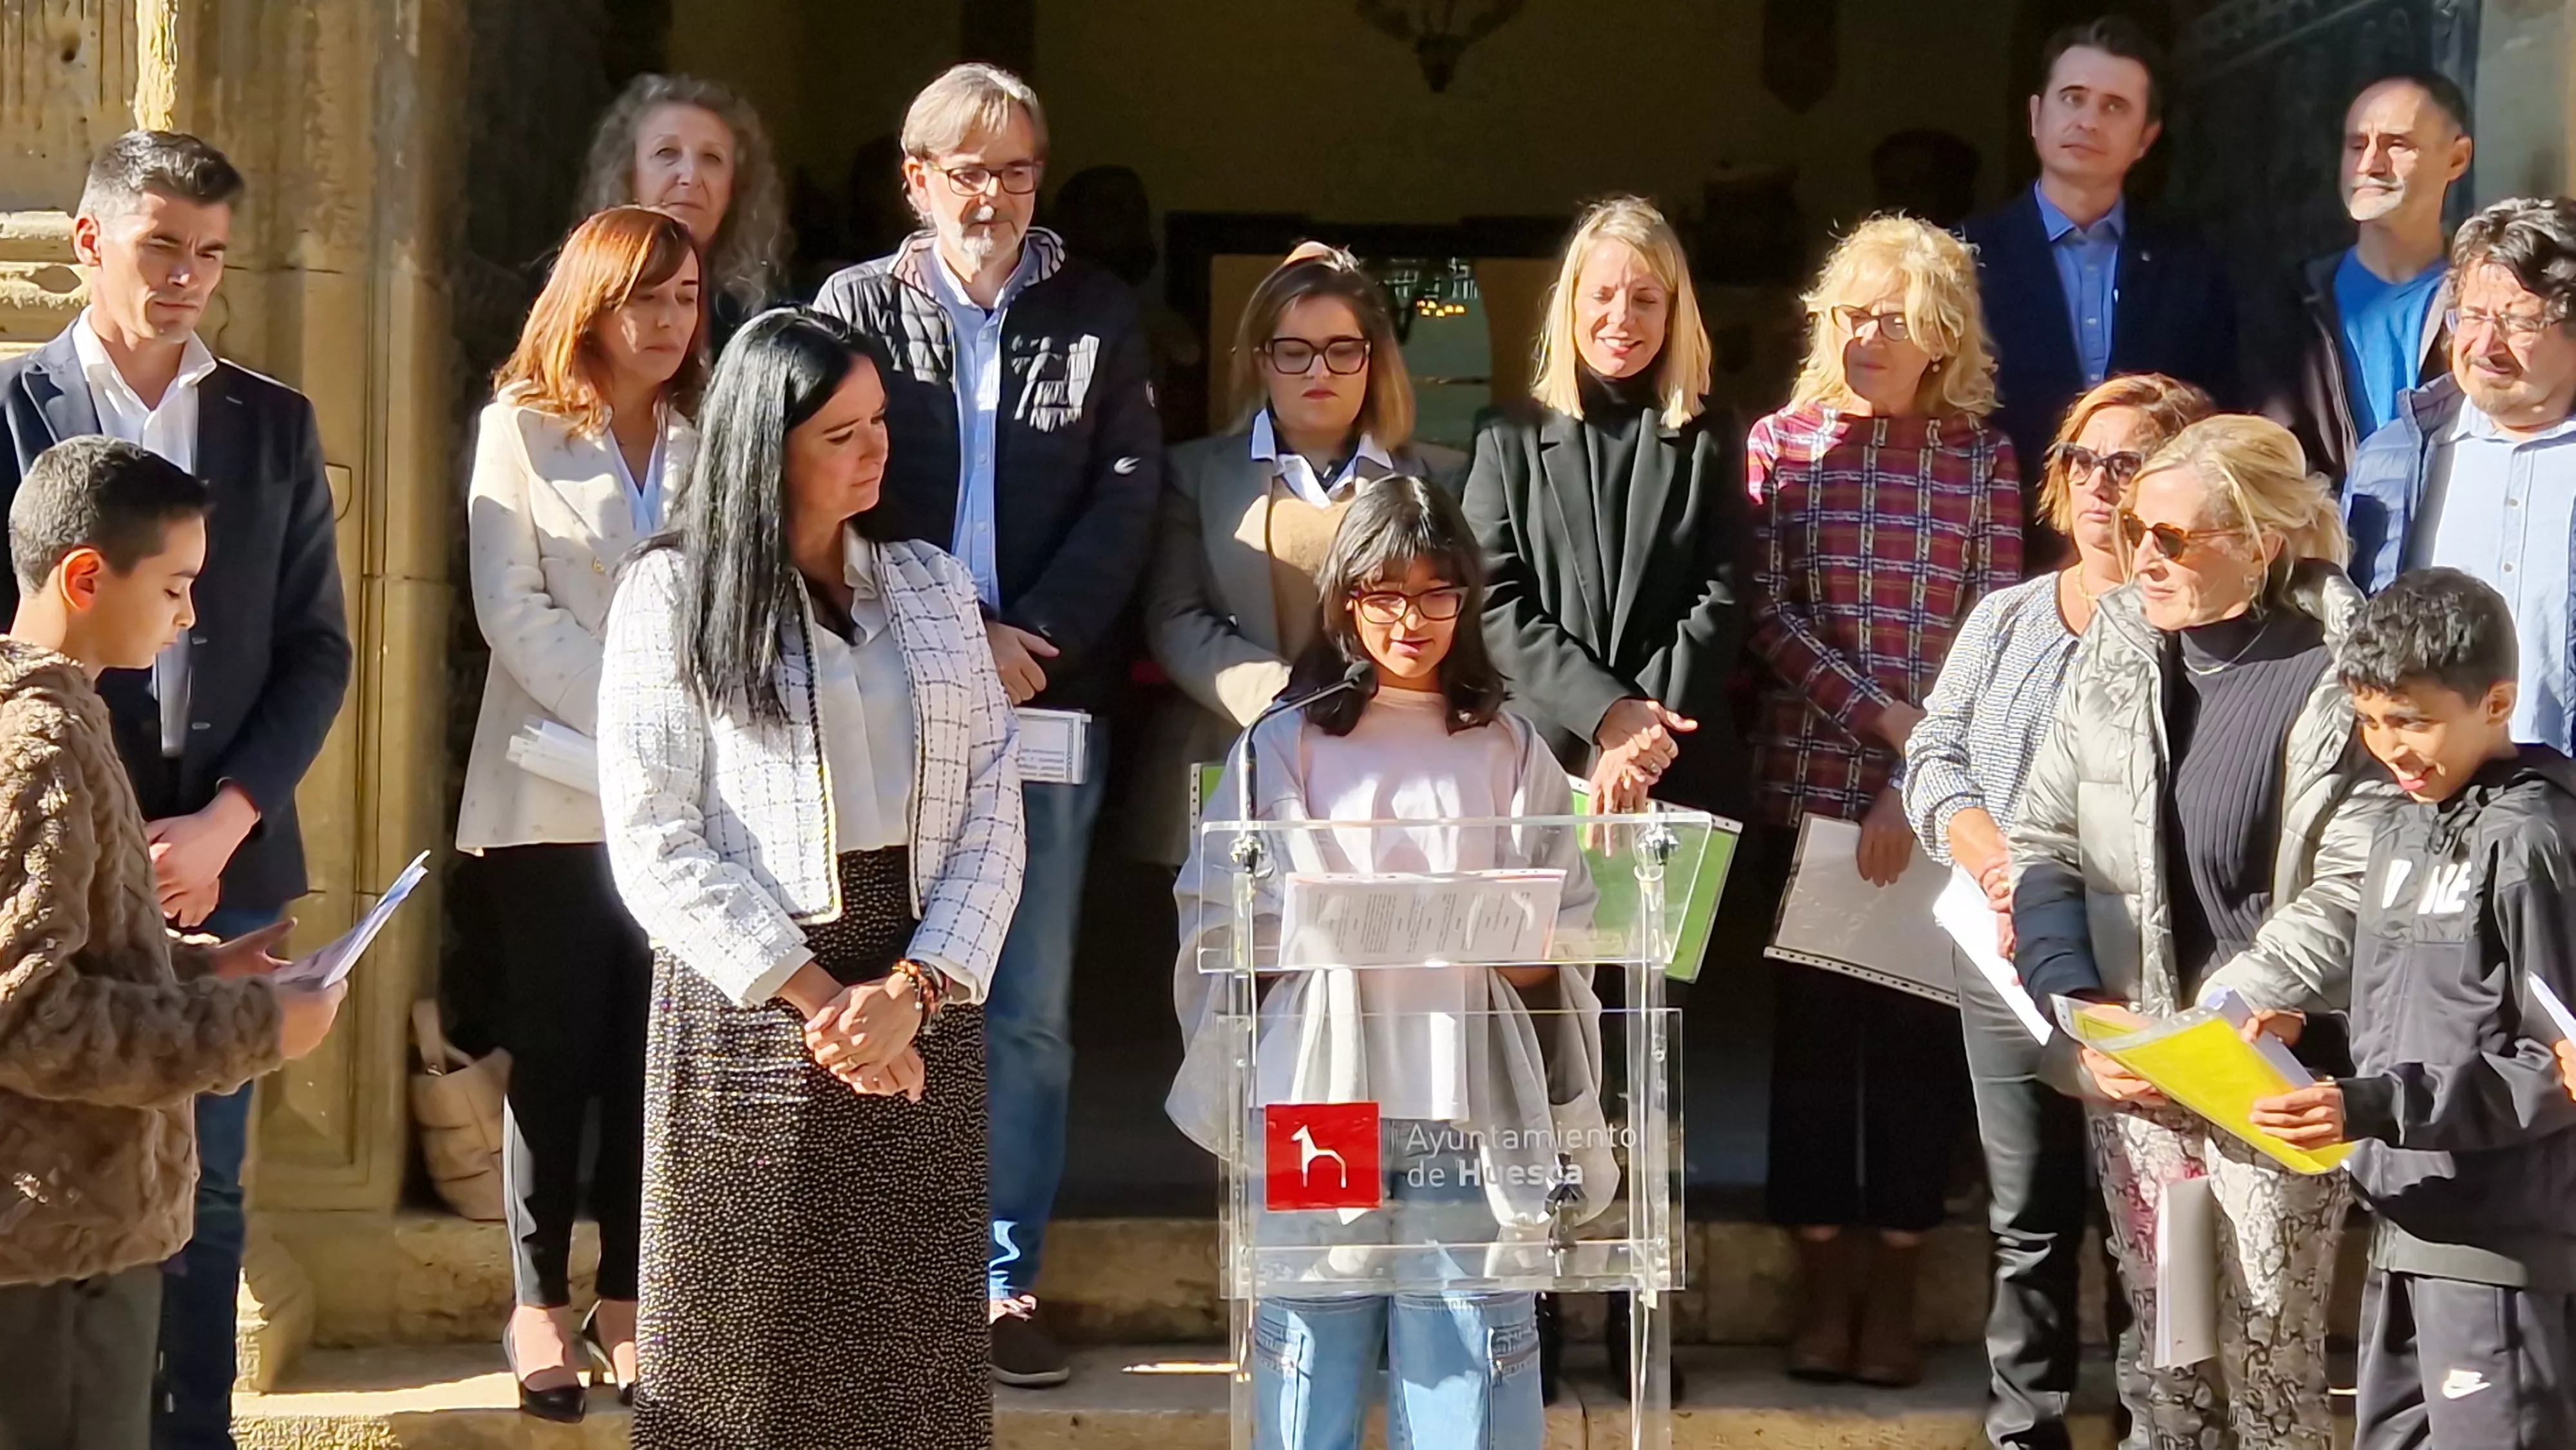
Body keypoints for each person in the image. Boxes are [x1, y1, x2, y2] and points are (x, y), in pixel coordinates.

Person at [596, 308, 1023, 1448]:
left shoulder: (931, 585)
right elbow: (653, 834)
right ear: (765, 446)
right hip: (751, 1000)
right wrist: (825, 1002)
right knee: (744, 1352)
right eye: (841, 434)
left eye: (879, 422)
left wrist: (916, 990)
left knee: (908, 1354)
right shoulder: (671, 593)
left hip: (921, 982)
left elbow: (994, 799)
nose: (874, 450)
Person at [0, 131, 352, 1450]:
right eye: (162, 247)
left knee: (203, 1196)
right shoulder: (8, 404)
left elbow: (316, 643)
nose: (188, 277)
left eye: (211, 254)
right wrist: (64, 796)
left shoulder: (272, 421)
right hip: (44, 830)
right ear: (89, 241)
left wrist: (223, 824)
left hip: (219, 855)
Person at [815, 61, 1161, 1386]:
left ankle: (1002, 1278)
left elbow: (1126, 495)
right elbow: (827, 484)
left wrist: (1035, 640)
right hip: (888, 693)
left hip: (1044, 699)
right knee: (877, 974)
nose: (996, 196)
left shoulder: (1097, 312)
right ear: (917, 180)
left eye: (1018, 170)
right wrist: (954, 636)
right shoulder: (854, 308)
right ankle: (885, 1266)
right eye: (969, 171)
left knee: (1025, 1006)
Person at [1166, 474, 1598, 1450]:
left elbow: (1570, 927)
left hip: (1466, 1096)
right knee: (1309, 1357)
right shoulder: (1285, 743)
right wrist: (1311, 930)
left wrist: (1522, 945)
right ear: (1343, 599)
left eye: (1437, 593)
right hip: (1322, 1099)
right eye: (1385, 594)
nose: (1412, 620)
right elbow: (1217, 919)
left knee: (1461, 1367)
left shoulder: (1509, 744)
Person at [2009, 414, 2388, 1449]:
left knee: (2269, 1368)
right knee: (2164, 1370)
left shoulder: (2344, 669)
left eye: (2174, 538)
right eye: (2137, 529)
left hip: (2269, 1069)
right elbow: (2045, 835)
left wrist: (2233, 1008)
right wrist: (2076, 1003)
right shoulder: (2118, 646)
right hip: (2137, 1063)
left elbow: (2354, 879)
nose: (2143, 556)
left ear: (2262, 543)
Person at [1900, 373, 2212, 1448]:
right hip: (2002, 958)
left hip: (2143, 964)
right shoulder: (2006, 617)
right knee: (2025, 1215)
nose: (2097, 482)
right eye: (2082, 458)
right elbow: (1935, 752)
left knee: (2149, 1212)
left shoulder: (2194, 630)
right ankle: (2024, 1427)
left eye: (2127, 462)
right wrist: (1995, 864)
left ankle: (2150, 1424)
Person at [1747, 214, 2018, 1389]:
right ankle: (1822, 1287)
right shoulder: (1782, 444)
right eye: (1848, 314)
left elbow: (1992, 625)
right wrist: (1885, 725)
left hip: (1939, 796)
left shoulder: (1981, 458)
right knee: (1813, 1048)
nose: (1864, 336)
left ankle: (1896, 1287)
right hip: (1811, 782)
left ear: (1941, 335)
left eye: (1891, 319)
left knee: (1914, 1046)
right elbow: (1769, 615)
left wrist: (1918, 775)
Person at [455, 205, 705, 1421]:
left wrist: (674, 739)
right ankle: (538, 1300)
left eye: (686, 299)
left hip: (686, 802)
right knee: (554, 1051)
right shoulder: (521, 427)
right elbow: (510, 606)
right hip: (553, 791)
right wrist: (631, 717)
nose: (667, 323)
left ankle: (630, 1297)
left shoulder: (713, 435)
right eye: (644, 299)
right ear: (593, 306)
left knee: (651, 1053)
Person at [2248, 569, 2576, 1450]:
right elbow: (2409, 1010)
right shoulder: (2396, 826)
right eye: (2369, 720)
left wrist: (2373, 1105)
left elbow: (2555, 1066)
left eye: (2412, 720)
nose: (2389, 746)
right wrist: (2307, 1035)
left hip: (2498, 1244)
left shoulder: (2534, 838)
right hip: (2400, 1220)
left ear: (2496, 701)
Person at [1142, 243, 1457, 865]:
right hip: (1235, 757)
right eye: (1294, 351)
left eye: (1342, 350)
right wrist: (1290, 700)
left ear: (1373, 359)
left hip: (1393, 774)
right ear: (1263, 360)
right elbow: (1175, 618)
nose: (1320, 371)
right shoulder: (1192, 474)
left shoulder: (1444, 479)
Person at [1464, 195, 1747, 822]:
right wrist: (1605, 712)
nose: (1622, 317)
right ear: (1571, 304)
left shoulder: (1711, 438)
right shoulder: (1506, 438)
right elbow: (1493, 600)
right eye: (1602, 295)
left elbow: (1721, 594)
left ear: (1673, 313)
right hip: (1541, 758)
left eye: (1645, 299)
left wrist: (1641, 734)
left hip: (1677, 763)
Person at [1962, 15, 2238, 565]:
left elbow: (2217, 417)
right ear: (2036, 116)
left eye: (2114, 107)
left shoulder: (2190, 266)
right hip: (1999, 548)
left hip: (2155, 554)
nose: (2088, 120)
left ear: (2146, 138)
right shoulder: (1963, 261)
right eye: (2073, 98)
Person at [2344, 196, 2576, 758]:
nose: (2485, 346)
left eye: (2519, 322)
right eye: (2471, 316)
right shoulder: (2393, 459)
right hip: (2425, 794)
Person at [2260, 73, 2474, 491]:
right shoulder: (2289, 305)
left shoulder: (2485, 306)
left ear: (2457, 159)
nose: (2369, 164)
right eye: (2357, 145)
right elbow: (2270, 454)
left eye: (2398, 145)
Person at [579, 73, 785, 350]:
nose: (690, 176)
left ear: (735, 187)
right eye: (667, 153)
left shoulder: (763, 323)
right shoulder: (579, 307)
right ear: (628, 174)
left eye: (711, 158)